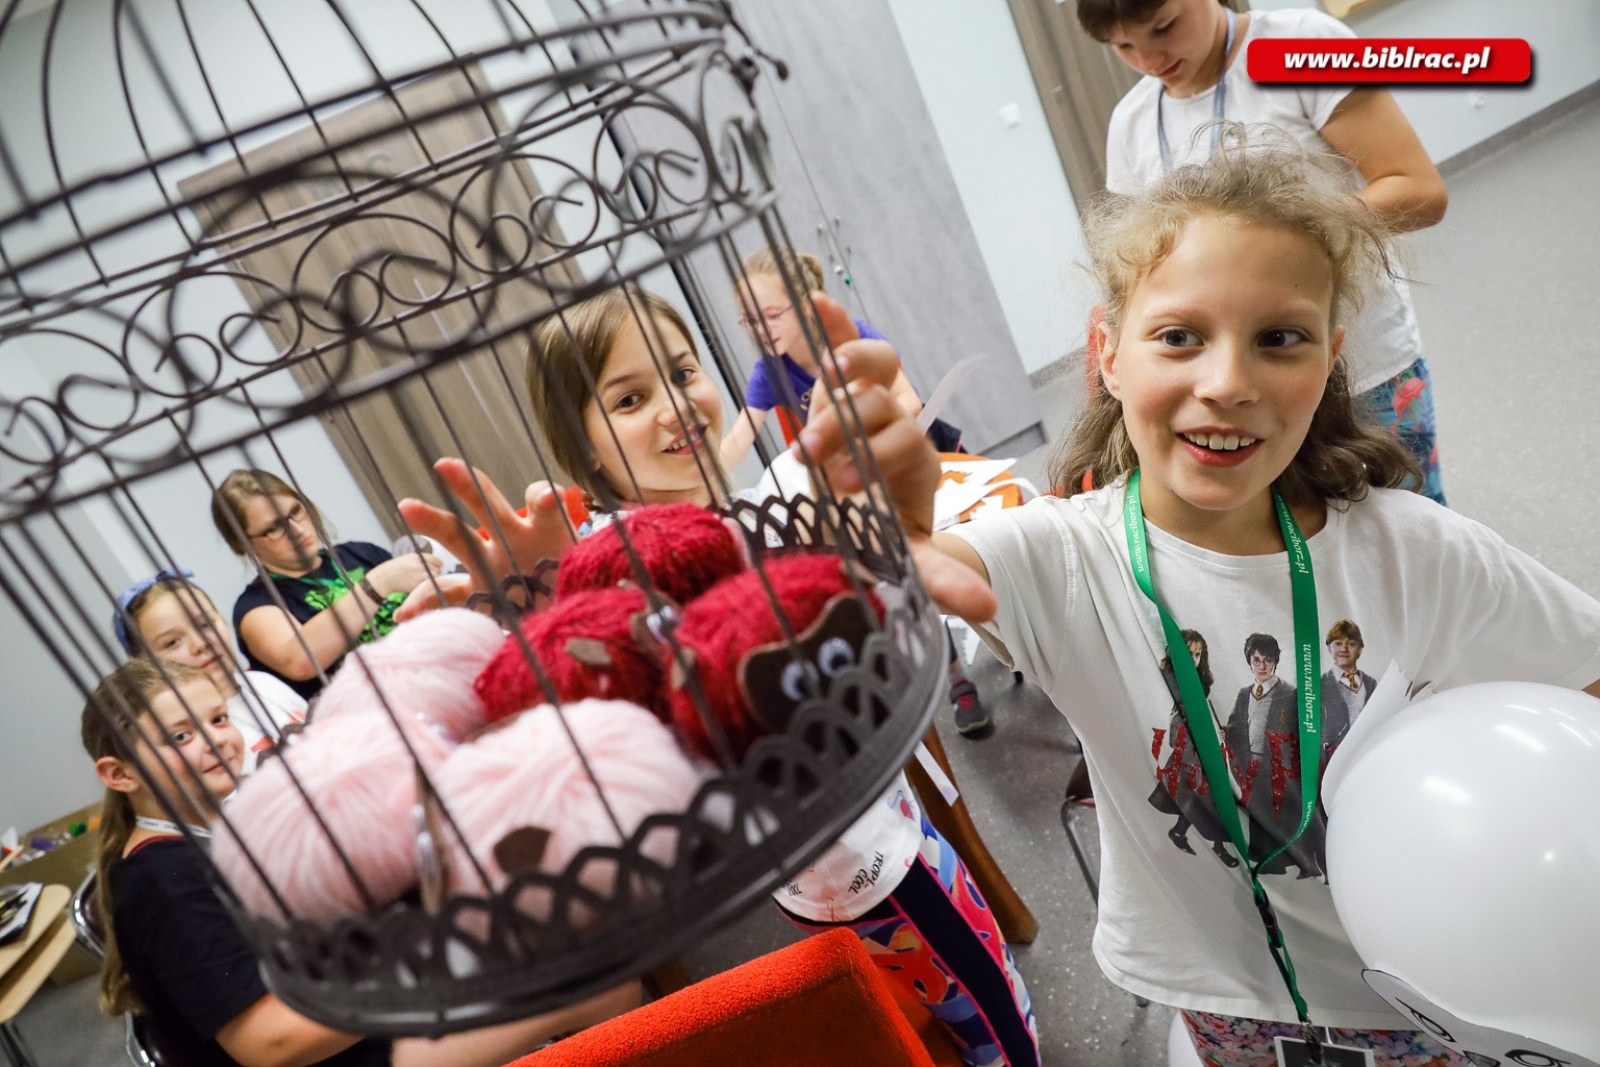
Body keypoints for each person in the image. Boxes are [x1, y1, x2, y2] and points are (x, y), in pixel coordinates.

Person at [797, 142, 1600, 1066]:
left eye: (1280, 338)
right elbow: (901, 589)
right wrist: (874, 547)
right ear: (1107, 352)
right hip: (1229, 1008)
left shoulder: (1412, 547)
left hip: (1433, 993)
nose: (1227, 381)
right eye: (1180, 336)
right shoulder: (1063, 557)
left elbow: (1579, 674)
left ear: (1332, 358)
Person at [400, 285, 1039, 1067]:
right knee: (995, 1019)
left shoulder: (729, 513)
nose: (676, 405)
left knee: (955, 1000)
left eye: (682, 371)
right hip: (870, 860)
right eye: (631, 397)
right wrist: (535, 607)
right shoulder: (628, 565)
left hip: (858, 841)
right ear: (586, 446)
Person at [81, 659, 638, 1067]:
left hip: (365, 1025)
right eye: (181, 736)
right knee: (598, 985)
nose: (217, 741)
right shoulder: (167, 883)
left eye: (219, 719)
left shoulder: (219, 833)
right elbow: (271, 1043)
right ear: (119, 774)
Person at [1079, 0, 1450, 506]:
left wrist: (1280, 245)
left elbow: (1417, 189)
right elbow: (1133, 262)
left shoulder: (1301, 42)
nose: (1148, 58)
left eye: (1163, 27)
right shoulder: (1132, 121)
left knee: (1402, 537)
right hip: (1228, 390)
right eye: (1123, 46)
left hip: (1359, 367)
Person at [720, 247, 998, 736]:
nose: (761, 332)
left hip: (916, 455)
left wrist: (867, 426)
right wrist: (702, 473)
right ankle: (958, 681)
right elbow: (742, 433)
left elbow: (909, 400)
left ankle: (1009, 634)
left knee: (979, 542)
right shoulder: (769, 371)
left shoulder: (852, 340)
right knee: (903, 565)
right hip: (862, 483)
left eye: (770, 316)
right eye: (749, 322)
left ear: (807, 303)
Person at [212, 470, 443, 700]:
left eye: (296, 511)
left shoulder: (361, 553)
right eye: (274, 528)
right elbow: (299, 661)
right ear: (242, 544)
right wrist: (376, 585)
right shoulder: (255, 606)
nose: (296, 530)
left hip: (433, 675)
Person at [114, 569, 306, 773]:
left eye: (205, 624)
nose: (201, 644)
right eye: (172, 642)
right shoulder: (186, 742)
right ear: (145, 663)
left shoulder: (264, 682)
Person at [1320, 618, 1376, 750]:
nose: (1344, 649)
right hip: (1333, 755)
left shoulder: (1370, 683)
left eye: (1351, 644)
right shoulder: (1321, 684)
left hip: (1365, 750)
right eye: (1338, 644)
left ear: (1360, 649)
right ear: (1329, 648)